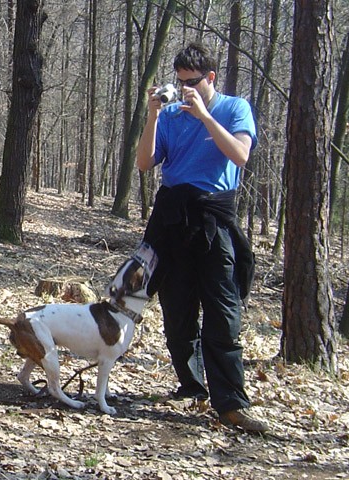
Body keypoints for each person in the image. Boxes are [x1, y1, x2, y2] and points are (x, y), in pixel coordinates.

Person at [135, 42, 268, 433]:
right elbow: (145, 163)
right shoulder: (172, 115)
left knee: (223, 312)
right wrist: (154, 113)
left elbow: (241, 156)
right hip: (173, 218)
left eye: (192, 82)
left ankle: (230, 402)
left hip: (214, 218)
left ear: (210, 78)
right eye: (179, 82)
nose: (185, 89)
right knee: (176, 312)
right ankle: (191, 386)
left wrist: (206, 115)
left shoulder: (234, 108)